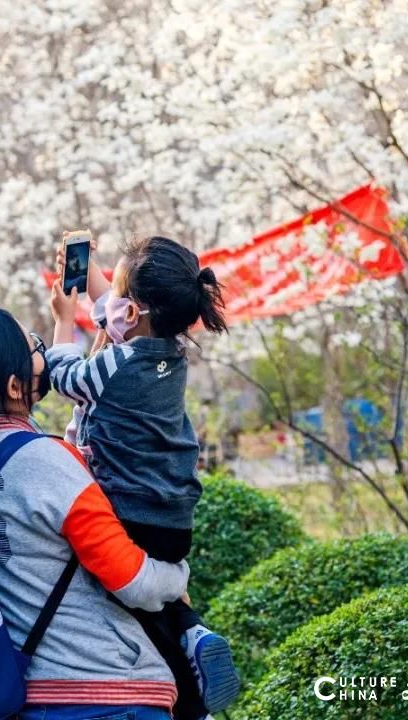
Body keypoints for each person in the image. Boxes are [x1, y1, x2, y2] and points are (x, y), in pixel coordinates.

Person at [0, 307, 191, 720]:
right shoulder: (45, 463)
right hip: (102, 694)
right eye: (32, 346)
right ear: (15, 386)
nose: (41, 352)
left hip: (25, 694)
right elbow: (135, 581)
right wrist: (179, 576)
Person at [47, 234, 239, 719]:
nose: (107, 297)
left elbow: (64, 376)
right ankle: (194, 629)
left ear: (131, 314)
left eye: (118, 291)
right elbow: (113, 309)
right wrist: (87, 275)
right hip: (172, 519)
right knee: (164, 594)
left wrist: (62, 323)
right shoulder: (170, 354)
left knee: (136, 606)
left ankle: (188, 701)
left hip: (130, 514)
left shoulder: (111, 367)